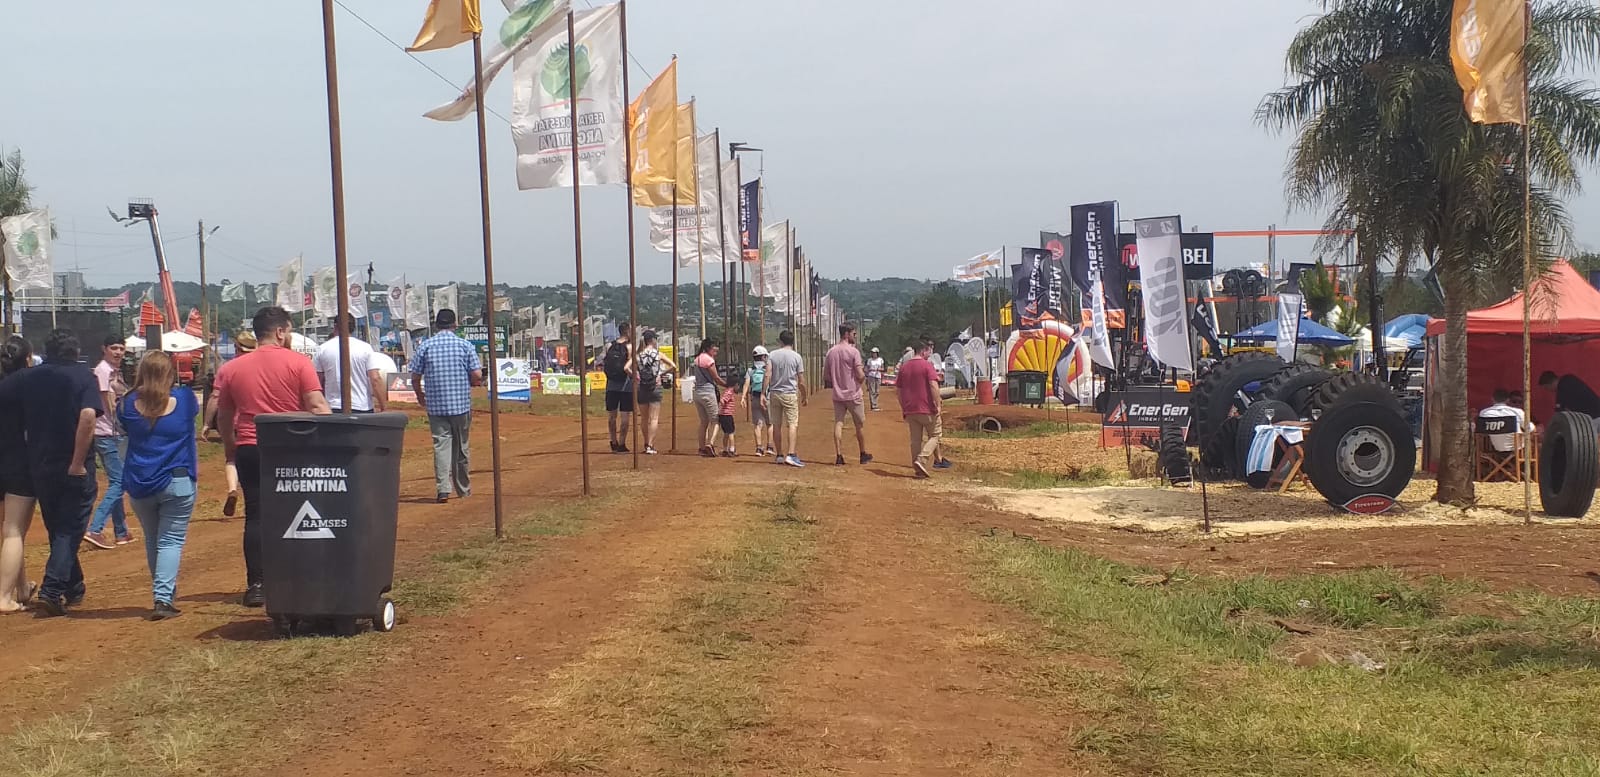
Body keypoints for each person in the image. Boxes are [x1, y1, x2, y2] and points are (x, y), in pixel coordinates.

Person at [216, 307, 332, 607]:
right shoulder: (298, 363)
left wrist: (231, 446)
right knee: (300, 512)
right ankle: (297, 577)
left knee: (255, 515)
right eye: (289, 330)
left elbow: (225, 415)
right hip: (292, 449)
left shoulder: (231, 369)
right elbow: (317, 405)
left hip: (250, 447)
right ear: (280, 331)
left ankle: (257, 583)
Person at [0, 330, 103, 616]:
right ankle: (53, 588)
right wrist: (78, 462)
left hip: (39, 465)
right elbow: (88, 416)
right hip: (73, 465)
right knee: (70, 529)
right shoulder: (83, 377)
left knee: (59, 528)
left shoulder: (28, 378)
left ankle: (74, 586)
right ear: (75, 351)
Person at [119, 351, 198, 620]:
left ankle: (164, 591)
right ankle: (163, 597)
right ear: (170, 373)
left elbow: (124, 428)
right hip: (177, 480)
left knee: (154, 540)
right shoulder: (185, 400)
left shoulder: (127, 403)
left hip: (140, 481)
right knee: (170, 541)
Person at [411, 309, 483, 503]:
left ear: (436, 325)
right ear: (455, 324)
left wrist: (420, 395)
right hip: (460, 404)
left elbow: (415, 377)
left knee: (441, 446)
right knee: (461, 447)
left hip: (436, 405)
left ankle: (443, 489)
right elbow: (477, 375)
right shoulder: (464, 345)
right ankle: (463, 489)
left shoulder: (425, 346)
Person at [0, 336, 38, 612]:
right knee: (13, 531)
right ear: (27, 359)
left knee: (12, 533)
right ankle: (3, 596)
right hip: (18, 462)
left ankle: (21, 587)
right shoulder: (27, 386)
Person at [85, 334, 132, 550]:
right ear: (104, 349)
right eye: (114, 348)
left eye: (121, 348)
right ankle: (95, 529)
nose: (118, 352)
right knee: (119, 482)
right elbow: (108, 404)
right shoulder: (103, 371)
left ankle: (121, 531)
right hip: (107, 434)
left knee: (117, 480)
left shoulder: (114, 372)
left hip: (113, 433)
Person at [313, 314, 385, 413]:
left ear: (335, 326)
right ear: (353, 328)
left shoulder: (322, 349)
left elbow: (317, 381)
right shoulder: (365, 348)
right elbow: (375, 379)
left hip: (333, 407)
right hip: (362, 406)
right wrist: (383, 407)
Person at [824, 323, 873, 466]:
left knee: (838, 423)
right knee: (859, 425)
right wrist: (862, 379)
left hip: (838, 395)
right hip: (853, 394)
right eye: (854, 334)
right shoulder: (854, 352)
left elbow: (826, 376)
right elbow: (859, 374)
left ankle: (839, 455)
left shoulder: (831, 352)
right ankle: (862, 453)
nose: (855, 336)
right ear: (847, 334)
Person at [898, 337, 943, 479]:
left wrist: (903, 406)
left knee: (915, 440)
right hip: (927, 408)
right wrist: (938, 404)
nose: (929, 353)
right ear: (923, 351)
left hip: (910, 409)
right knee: (935, 435)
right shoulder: (927, 365)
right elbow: (933, 385)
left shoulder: (904, 367)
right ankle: (922, 459)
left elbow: (899, 390)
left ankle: (917, 467)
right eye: (928, 351)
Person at [767, 330, 808, 468]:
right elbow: (801, 381)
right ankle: (791, 454)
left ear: (780, 341)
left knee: (776, 424)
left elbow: (767, 375)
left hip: (774, 393)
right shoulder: (797, 357)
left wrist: (762, 393)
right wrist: (804, 395)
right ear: (792, 342)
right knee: (792, 424)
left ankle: (779, 455)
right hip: (790, 393)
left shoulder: (772, 355)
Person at [635, 330, 674, 455]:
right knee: (654, 418)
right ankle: (650, 445)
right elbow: (673, 366)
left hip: (642, 387)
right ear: (653, 340)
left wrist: (636, 376)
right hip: (655, 386)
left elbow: (627, 368)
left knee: (644, 418)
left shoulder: (638, 355)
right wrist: (660, 374)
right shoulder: (658, 354)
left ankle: (646, 442)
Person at [603, 322, 635, 453]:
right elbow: (630, 365)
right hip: (625, 385)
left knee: (612, 415)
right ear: (627, 332)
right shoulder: (629, 347)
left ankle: (613, 440)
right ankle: (622, 443)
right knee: (625, 416)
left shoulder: (609, 345)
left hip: (611, 385)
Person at [692, 339, 727, 458]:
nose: (716, 351)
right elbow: (716, 378)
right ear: (708, 348)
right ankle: (710, 444)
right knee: (715, 420)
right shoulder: (709, 360)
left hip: (697, 393)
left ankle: (701, 447)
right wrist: (727, 385)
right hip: (707, 392)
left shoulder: (697, 359)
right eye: (714, 348)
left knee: (703, 422)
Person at [741, 346, 773, 457]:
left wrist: (743, 397)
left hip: (754, 398)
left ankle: (759, 448)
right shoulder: (767, 369)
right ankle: (769, 447)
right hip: (766, 398)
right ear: (764, 356)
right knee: (770, 423)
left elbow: (746, 384)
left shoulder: (751, 370)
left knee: (757, 425)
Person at [1478, 388, 1527, 454]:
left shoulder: (1484, 413)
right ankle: (1527, 463)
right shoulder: (1517, 412)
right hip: (1517, 449)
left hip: (1495, 448)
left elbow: (1481, 432)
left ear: (1492, 399)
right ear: (1508, 400)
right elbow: (1530, 428)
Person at [718, 373, 740, 457]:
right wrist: (722, 406)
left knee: (726, 433)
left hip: (723, 415)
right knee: (731, 432)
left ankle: (725, 449)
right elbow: (723, 400)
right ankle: (732, 449)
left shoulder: (727, 391)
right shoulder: (730, 392)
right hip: (727, 415)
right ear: (735, 385)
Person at [866, 347, 886, 412]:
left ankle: (875, 404)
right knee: (872, 391)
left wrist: (878, 369)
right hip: (871, 376)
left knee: (877, 391)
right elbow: (867, 369)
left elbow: (883, 368)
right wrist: (870, 370)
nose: (873, 354)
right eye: (872, 353)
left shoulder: (880, 360)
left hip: (878, 376)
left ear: (877, 353)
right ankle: (873, 405)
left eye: (874, 353)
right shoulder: (869, 360)